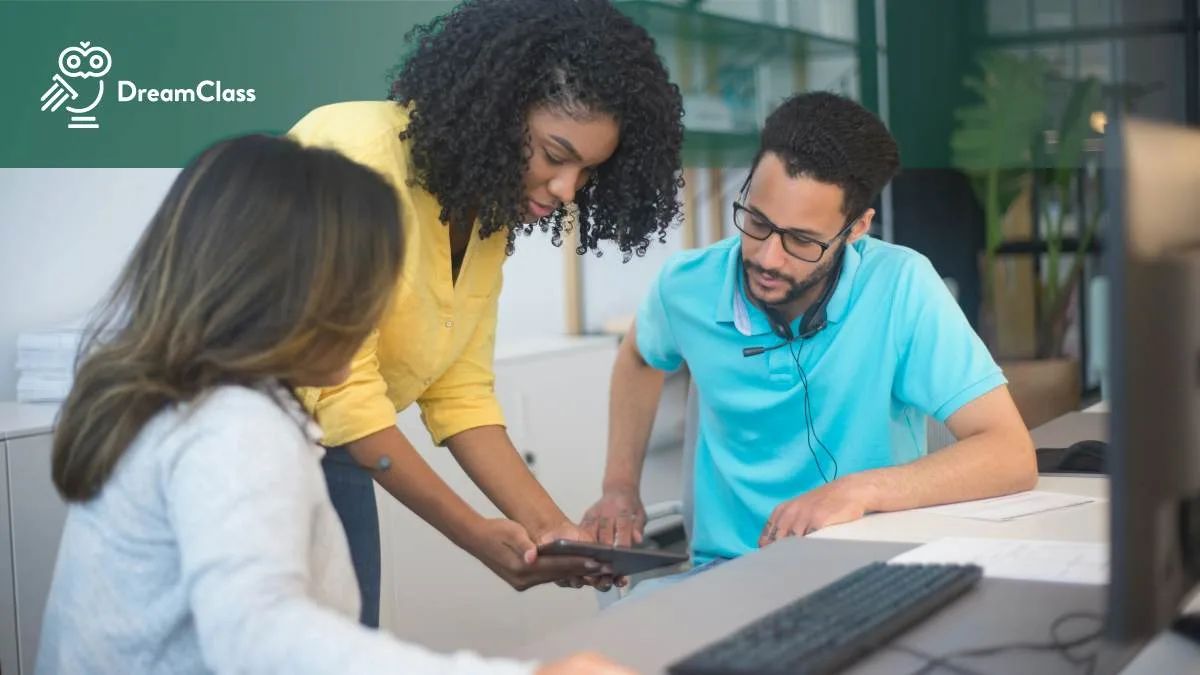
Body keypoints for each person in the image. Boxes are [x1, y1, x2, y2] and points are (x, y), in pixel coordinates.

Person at [35, 134, 633, 675]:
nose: (379, 315)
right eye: (369, 286)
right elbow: (259, 637)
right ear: (289, 290)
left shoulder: (193, 408)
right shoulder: (235, 432)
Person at [286, 0, 685, 625]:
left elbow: (459, 392)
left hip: (332, 449)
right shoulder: (353, 156)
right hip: (250, 448)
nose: (565, 191)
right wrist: (473, 532)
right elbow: (344, 395)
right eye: (555, 155)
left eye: (585, 172)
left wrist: (554, 532)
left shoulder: (485, 209)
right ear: (496, 110)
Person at [581, 91, 1038, 599]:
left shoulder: (902, 285)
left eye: (801, 240)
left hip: (872, 573)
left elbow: (1010, 453)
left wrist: (856, 491)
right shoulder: (685, 286)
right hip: (728, 576)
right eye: (756, 222)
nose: (768, 258)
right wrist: (619, 487)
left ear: (856, 229)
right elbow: (639, 356)